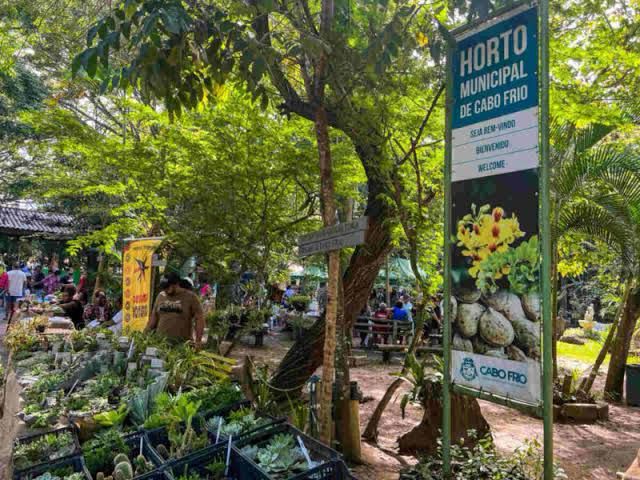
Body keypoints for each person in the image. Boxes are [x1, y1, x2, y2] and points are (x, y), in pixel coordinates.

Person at [145, 272, 205, 346]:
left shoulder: (191, 297)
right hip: (160, 343)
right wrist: (145, 334)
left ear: (176, 284)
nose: (165, 289)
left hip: (181, 346)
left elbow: (199, 319)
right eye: (163, 287)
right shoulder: (161, 296)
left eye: (167, 287)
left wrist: (198, 341)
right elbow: (154, 317)